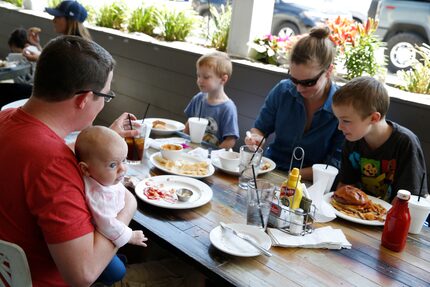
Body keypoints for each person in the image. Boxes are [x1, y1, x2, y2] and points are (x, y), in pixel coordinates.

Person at [245, 26, 345, 180]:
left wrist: (290, 176)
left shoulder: (342, 107)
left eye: (308, 82)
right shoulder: (283, 90)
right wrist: (255, 138)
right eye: (294, 79)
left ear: (328, 71)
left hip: (311, 183)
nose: (298, 88)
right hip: (271, 170)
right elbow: (260, 129)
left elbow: (333, 166)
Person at [332, 76, 428, 203]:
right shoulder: (352, 139)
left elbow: (409, 200)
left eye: (346, 121)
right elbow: (345, 186)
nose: (339, 127)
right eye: (338, 120)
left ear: (374, 118)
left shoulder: (405, 143)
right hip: (357, 214)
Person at [75, 126, 148, 285]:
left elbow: (114, 179)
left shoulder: (100, 174)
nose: (123, 169)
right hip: (95, 240)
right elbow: (107, 225)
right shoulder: (97, 196)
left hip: (108, 232)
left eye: (124, 160)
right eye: (113, 165)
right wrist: (130, 236)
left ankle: (116, 258)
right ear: (86, 169)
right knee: (118, 272)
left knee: (118, 260)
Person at [184, 51, 239, 149]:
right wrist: (184, 144)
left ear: (223, 79)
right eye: (199, 75)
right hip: (192, 152)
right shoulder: (198, 98)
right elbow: (189, 123)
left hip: (212, 159)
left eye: (206, 77)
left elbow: (230, 140)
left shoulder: (228, 108)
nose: (200, 80)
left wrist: (213, 155)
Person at [23, 0, 91, 62]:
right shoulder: (69, 42)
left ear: (70, 21)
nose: (53, 20)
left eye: (58, 17)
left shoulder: (76, 47)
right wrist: (36, 45)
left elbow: (62, 69)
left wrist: (39, 59)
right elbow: (53, 60)